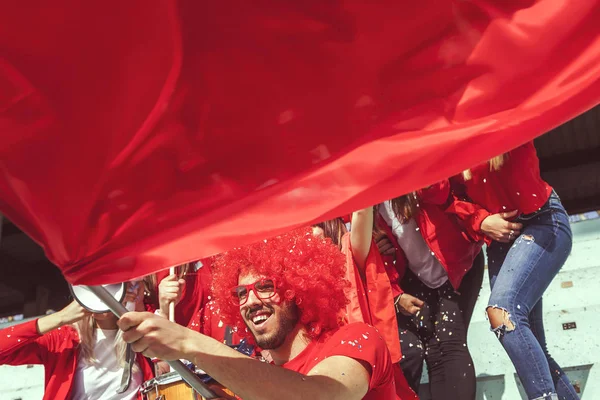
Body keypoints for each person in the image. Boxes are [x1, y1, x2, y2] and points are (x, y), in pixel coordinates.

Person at [118, 228, 399, 400]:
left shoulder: (357, 339)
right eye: (241, 293)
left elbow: (318, 395)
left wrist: (189, 343)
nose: (250, 301)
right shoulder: (253, 386)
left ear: (299, 290)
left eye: (265, 286)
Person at [447, 142, 579, 400]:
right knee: (535, 349)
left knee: (501, 310)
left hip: (542, 220)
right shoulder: (450, 141)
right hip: (499, 240)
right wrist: (481, 220)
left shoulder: (506, 118)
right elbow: (446, 196)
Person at [378, 181, 484, 400]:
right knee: (433, 351)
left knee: (450, 341)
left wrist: (416, 169)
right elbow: (379, 255)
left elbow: (441, 190)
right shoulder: (369, 205)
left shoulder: (412, 174)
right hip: (418, 277)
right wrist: (397, 294)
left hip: (456, 265)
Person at [313, 208, 418, 400]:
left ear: (331, 228)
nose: (310, 234)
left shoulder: (350, 252)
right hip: (323, 373)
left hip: (362, 369)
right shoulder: (296, 283)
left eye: (316, 225)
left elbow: (362, 213)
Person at [0, 284, 154, 400]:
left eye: (112, 285)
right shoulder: (64, 338)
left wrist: (162, 304)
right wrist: (60, 317)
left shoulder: (142, 332)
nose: (104, 293)